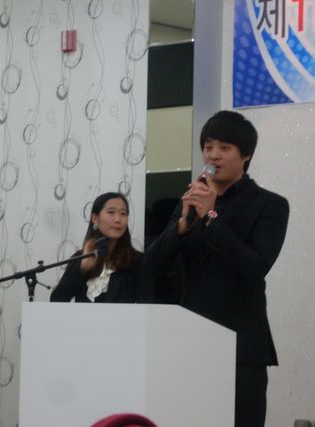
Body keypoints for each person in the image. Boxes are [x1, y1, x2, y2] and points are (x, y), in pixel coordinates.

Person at [147, 110, 289, 427]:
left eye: (224, 148)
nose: (213, 155)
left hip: (241, 349)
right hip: (191, 344)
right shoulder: (190, 202)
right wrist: (181, 226)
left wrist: (211, 217)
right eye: (208, 146)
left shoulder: (270, 205)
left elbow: (254, 266)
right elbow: (152, 265)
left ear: (246, 155)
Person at [50, 192, 154, 303]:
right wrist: (82, 269)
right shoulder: (81, 257)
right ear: (95, 218)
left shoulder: (138, 260)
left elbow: (147, 305)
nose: (118, 219)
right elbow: (57, 300)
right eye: (111, 212)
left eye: (123, 214)